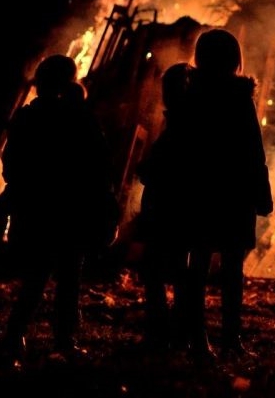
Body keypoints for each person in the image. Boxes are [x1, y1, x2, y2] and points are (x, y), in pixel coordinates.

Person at [0, 54, 116, 368]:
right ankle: (63, 341)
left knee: (37, 277)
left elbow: (10, 165)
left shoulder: (26, 118)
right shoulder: (79, 118)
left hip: (35, 211)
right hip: (68, 212)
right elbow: (100, 164)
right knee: (68, 278)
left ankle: (15, 336)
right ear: (69, 83)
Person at [181, 29, 273, 361]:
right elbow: (253, 151)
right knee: (232, 269)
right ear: (235, 61)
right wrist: (260, 194)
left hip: (200, 192)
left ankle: (197, 337)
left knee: (198, 265)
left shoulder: (191, 98)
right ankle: (230, 339)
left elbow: (183, 147)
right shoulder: (239, 99)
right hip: (234, 193)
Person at [135, 62, 193, 352]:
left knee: (156, 269)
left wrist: (147, 169)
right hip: (175, 206)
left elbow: (167, 164)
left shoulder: (183, 123)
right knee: (176, 268)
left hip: (167, 207)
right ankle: (176, 330)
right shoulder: (184, 121)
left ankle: (163, 330)